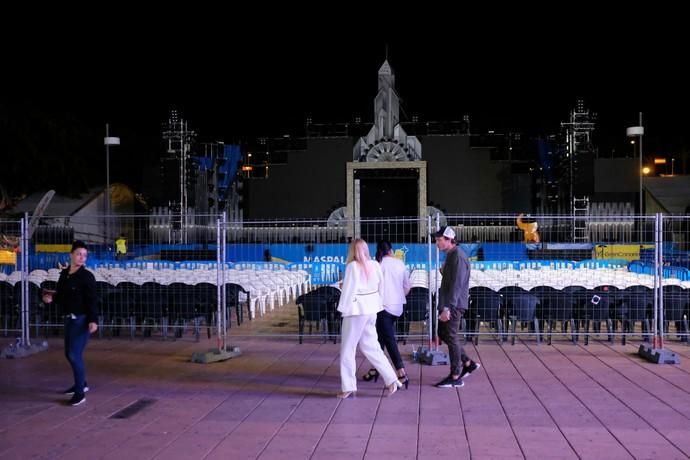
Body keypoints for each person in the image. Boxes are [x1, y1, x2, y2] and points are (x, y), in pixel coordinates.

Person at [336, 238, 402, 399]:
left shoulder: (352, 267)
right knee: (372, 347)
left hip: (356, 311)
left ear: (352, 250)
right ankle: (392, 379)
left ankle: (348, 386)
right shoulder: (374, 265)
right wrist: (378, 303)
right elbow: (381, 286)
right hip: (372, 309)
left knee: (347, 350)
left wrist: (342, 308)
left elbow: (348, 290)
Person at [42, 240, 98, 406]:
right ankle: (81, 384)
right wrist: (50, 298)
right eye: (79, 254)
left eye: (84, 255)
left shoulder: (86, 276)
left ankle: (80, 393)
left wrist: (93, 320)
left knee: (74, 354)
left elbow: (92, 300)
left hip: (82, 320)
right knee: (69, 353)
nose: (82, 257)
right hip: (69, 319)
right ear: (71, 255)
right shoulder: (65, 274)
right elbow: (61, 295)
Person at [433, 226, 480, 388]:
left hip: (453, 304)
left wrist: (448, 308)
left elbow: (457, 285)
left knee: (451, 336)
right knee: (443, 333)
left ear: (449, 240)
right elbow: (452, 280)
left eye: (439, 240)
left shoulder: (458, 256)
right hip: (450, 302)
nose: (436, 243)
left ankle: (455, 375)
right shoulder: (452, 255)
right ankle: (467, 363)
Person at [362, 240, 411, 388]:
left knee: (388, 339)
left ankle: (401, 372)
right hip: (397, 307)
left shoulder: (376, 264)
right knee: (381, 339)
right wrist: (397, 296)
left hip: (382, 307)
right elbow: (407, 287)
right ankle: (375, 369)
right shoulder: (400, 264)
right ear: (391, 250)